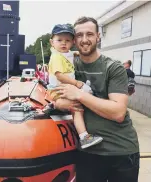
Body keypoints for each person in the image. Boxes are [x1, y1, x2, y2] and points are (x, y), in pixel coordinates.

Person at [53, 17, 139, 182]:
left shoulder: (113, 67)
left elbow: (118, 112)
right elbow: (57, 100)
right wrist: (63, 101)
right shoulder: (68, 67)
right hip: (88, 153)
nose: (84, 40)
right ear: (74, 39)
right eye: (79, 35)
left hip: (121, 150)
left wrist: (79, 95)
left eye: (89, 34)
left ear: (98, 36)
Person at [47, 24, 102, 149]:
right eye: (59, 40)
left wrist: (78, 53)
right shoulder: (56, 57)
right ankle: (84, 137)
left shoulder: (66, 54)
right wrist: (78, 84)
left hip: (64, 89)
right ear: (52, 42)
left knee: (80, 104)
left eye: (67, 40)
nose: (63, 43)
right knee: (77, 109)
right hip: (59, 90)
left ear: (72, 42)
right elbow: (60, 76)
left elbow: (73, 54)